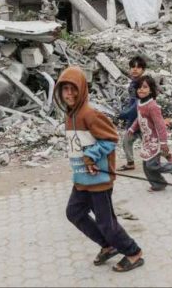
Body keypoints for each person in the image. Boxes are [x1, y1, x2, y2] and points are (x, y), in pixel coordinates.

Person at [54, 66, 145, 273]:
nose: (69, 94)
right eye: (65, 89)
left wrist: (91, 156)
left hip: (98, 180)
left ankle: (133, 252)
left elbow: (111, 138)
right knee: (74, 213)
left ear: (82, 89)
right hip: (81, 179)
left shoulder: (90, 114)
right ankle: (108, 245)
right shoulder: (71, 115)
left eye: (73, 89)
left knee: (107, 223)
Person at [128, 75, 172, 192]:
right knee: (146, 165)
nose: (141, 90)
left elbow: (160, 125)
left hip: (155, 141)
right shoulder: (140, 103)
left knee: (152, 165)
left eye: (144, 87)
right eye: (139, 87)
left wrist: (163, 142)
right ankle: (158, 184)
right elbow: (139, 118)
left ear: (151, 90)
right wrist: (132, 129)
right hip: (147, 140)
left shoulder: (152, 106)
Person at [116, 56, 147, 172]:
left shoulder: (141, 85)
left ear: (143, 70)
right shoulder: (134, 83)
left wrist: (123, 114)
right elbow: (132, 102)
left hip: (142, 120)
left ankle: (168, 157)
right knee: (126, 141)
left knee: (150, 144)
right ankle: (130, 163)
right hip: (134, 119)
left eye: (138, 67)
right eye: (133, 67)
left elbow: (137, 105)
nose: (135, 69)